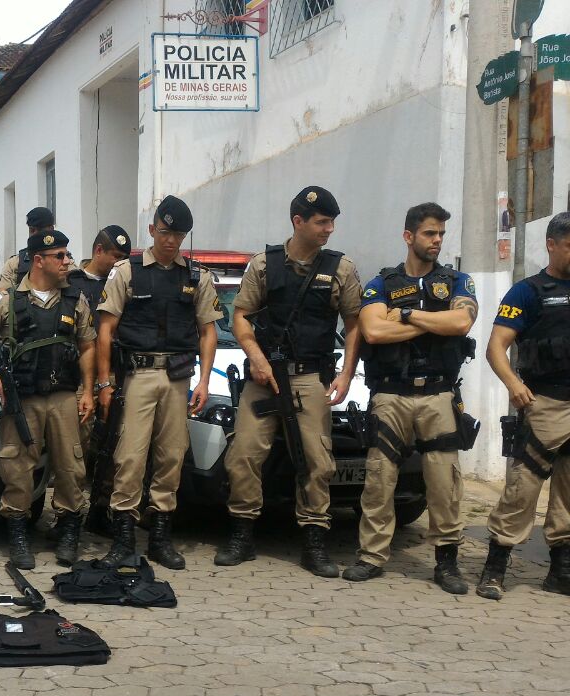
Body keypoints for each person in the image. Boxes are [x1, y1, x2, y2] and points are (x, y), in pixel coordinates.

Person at [214, 186, 363, 576]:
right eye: (322, 222)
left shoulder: (341, 268)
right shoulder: (264, 265)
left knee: (317, 460)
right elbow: (241, 316)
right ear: (298, 221)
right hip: (265, 380)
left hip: (310, 378)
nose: (329, 229)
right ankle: (242, 536)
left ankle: (314, 541)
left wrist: (346, 374)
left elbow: (353, 325)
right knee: (244, 454)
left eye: (332, 222)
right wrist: (257, 359)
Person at [343, 203, 477, 594]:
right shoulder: (381, 284)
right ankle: (371, 556)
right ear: (409, 236)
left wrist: (405, 317)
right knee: (378, 479)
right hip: (390, 394)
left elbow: (461, 322)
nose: (437, 241)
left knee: (443, 481)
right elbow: (373, 333)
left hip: (438, 394)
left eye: (440, 234)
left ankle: (446, 562)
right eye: (429, 233)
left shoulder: (456, 282)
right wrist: (432, 324)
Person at [96, 199, 219, 570]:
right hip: (139, 375)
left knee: (171, 456)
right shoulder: (127, 272)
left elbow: (208, 331)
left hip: (179, 377)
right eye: (165, 233)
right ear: (152, 231)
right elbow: (106, 330)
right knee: (130, 456)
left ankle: (161, 536)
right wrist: (104, 382)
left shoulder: (197, 276)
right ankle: (122, 538)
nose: (171, 241)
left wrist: (206, 381)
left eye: (178, 234)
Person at [0, 229, 96, 569]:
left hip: (64, 396)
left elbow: (87, 345)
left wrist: (88, 391)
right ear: (39, 260)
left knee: (71, 467)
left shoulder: (75, 299)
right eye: (61, 256)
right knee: (17, 466)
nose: (67, 261)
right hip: (22, 399)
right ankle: (18, 532)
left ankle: (69, 530)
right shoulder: (7, 300)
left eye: (67, 255)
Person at [476, 211, 570, 600]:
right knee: (522, 489)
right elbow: (496, 347)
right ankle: (495, 568)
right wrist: (513, 384)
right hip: (543, 403)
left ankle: (560, 570)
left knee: (569, 492)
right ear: (551, 244)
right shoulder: (528, 291)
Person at [68, 226, 132, 312]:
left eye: (124, 259)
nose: (120, 263)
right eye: (117, 256)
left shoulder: (123, 284)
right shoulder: (71, 281)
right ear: (99, 250)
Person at [0, 207, 55, 293]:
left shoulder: (65, 262)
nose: (35, 234)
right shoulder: (15, 263)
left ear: (51, 229)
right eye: (32, 230)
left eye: (40, 230)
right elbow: (2, 295)